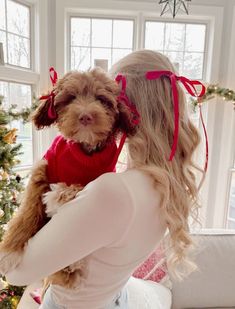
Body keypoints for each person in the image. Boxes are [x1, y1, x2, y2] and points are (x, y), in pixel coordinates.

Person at [3, 50, 205, 309]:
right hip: (115, 297)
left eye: (104, 98)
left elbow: (16, 273)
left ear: (124, 109)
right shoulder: (167, 185)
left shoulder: (112, 191)